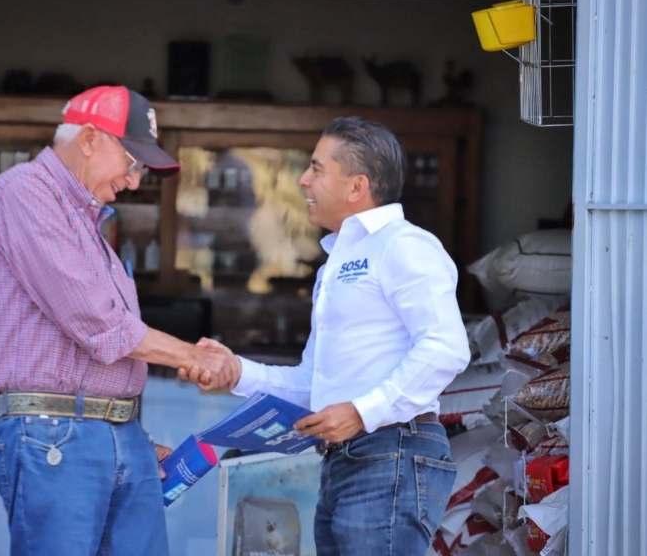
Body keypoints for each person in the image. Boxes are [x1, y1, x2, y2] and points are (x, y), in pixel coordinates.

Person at [0, 86, 231, 556]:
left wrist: (122, 430)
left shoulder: (86, 220)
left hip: (108, 433)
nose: (134, 180)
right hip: (57, 434)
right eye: (131, 162)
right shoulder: (25, 192)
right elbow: (98, 322)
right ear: (89, 139)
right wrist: (195, 357)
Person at [182, 116, 470, 555]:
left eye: (316, 168)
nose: (302, 180)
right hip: (349, 458)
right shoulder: (336, 263)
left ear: (356, 187)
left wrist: (361, 412)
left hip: (391, 450)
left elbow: (446, 347)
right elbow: (313, 383)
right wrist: (236, 372)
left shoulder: (403, 245)